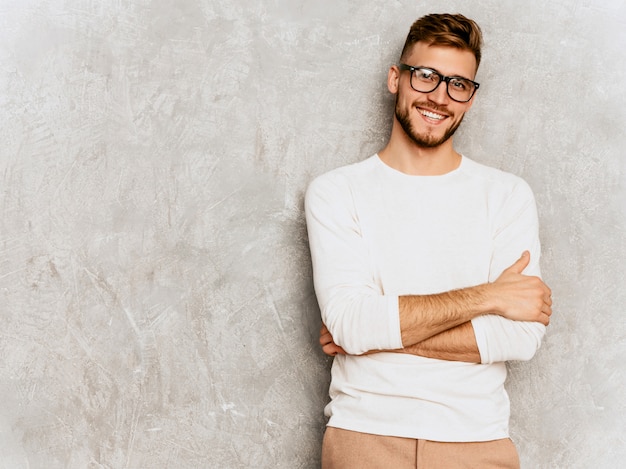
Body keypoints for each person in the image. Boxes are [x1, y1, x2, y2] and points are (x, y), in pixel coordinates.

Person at [304, 13, 553, 469]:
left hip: (477, 441)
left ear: (470, 99)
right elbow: (349, 322)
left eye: (458, 84)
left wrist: (373, 335)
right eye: (426, 76)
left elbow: (519, 337)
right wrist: (488, 297)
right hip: (365, 436)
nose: (440, 96)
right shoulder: (337, 191)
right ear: (395, 79)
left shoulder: (507, 195)